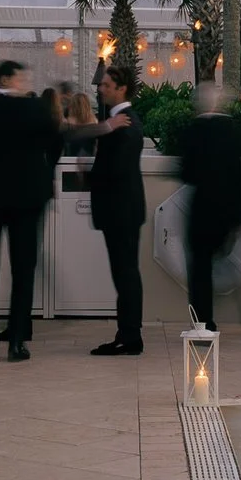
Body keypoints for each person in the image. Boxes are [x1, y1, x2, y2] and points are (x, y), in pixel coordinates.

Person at [0, 59, 61, 361]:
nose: (24, 82)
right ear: (6, 79)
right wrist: (41, 174)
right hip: (28, 200)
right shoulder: (36, 110)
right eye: (20, 77)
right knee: (23, 270)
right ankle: (17, 341)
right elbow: (55, 144)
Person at [81, 68, 147, 356]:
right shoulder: (117, 122)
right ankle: (129, 334)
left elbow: (115, 170)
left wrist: (90, 175)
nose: (101, 89)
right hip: (124, 209)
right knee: (125, 272)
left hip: (121, 210)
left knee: (125, 273)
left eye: (106, 85)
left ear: (121, 89)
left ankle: (130, 336)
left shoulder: (126, 125)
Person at [179, 80, 241, 331]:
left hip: (201, 212)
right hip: (227, 212)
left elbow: (186, 174)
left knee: (199, 270)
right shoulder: (234, 131)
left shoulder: (193, 131)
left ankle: (203, 323)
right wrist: (239, 216)